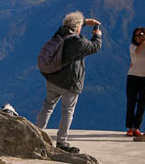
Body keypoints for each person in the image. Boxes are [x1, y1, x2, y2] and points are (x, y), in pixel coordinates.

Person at [35, 11, 102, 153]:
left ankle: (36, 135)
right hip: (70, 83)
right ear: (77, 28)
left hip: (53, 79)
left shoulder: (59, 34)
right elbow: (95, 47)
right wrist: (97, 35)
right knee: (67, 112)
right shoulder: (79, 42)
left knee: (47, 106)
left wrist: (84, 22)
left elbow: (70, 26)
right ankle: (61, 142)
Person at [125, 27, 145, 136]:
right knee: (131, 103)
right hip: (133, 77)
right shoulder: (133, 46)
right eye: (136, 35)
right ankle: (129, 128)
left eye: (141, 35)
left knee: (142, 104)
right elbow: (137, 52)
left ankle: (137, 128)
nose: (138, 37)